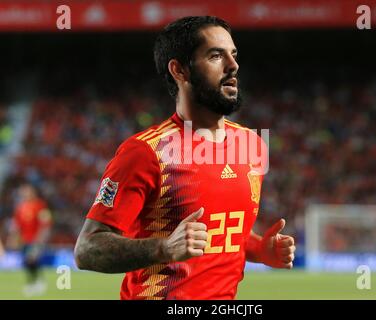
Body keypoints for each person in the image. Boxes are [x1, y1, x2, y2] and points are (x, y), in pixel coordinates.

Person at [74, 16, 295, 300]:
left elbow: (223, 234)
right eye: (215, 55)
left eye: (234, 54)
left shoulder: (250, 145)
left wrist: (257, 250)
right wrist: (165, 248)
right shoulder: (145, 152)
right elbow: (87, 250)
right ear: (179, 70)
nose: (233, 65)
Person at [8, 183, 52, 296]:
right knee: (27, 263)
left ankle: (37, 282)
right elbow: (16, 226)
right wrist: (13, 238)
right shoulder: (20, 207)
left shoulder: (40, 205)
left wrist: (41, 238)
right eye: (23, 191)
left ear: (33, 192)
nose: (25, 193)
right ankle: (34, 283)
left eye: (27, 191)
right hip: (24, 240)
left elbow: (46, 223)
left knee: (31, 260)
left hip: (36, 240)